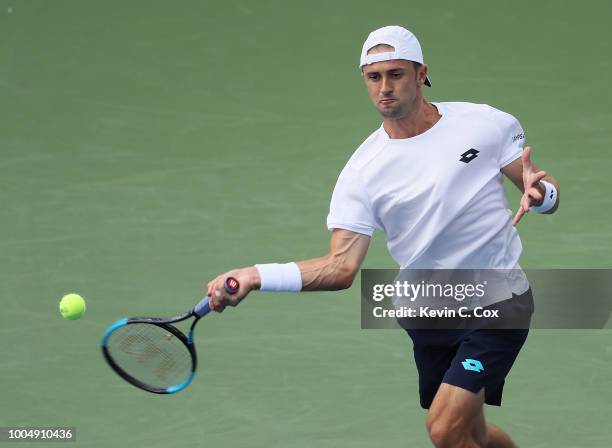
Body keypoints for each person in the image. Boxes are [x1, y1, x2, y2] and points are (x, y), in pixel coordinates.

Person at [206, 25, 560, 448]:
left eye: (396, 74)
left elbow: (541, 191)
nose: (385, 88)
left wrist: (540, 195)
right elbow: (340, 267)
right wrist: (256, 274)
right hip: (429, 314)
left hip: (499, 304)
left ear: (421, 73)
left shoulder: (485, 124)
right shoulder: (362, 173)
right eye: (374, 77)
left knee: (445, 432)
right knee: (473, 433)